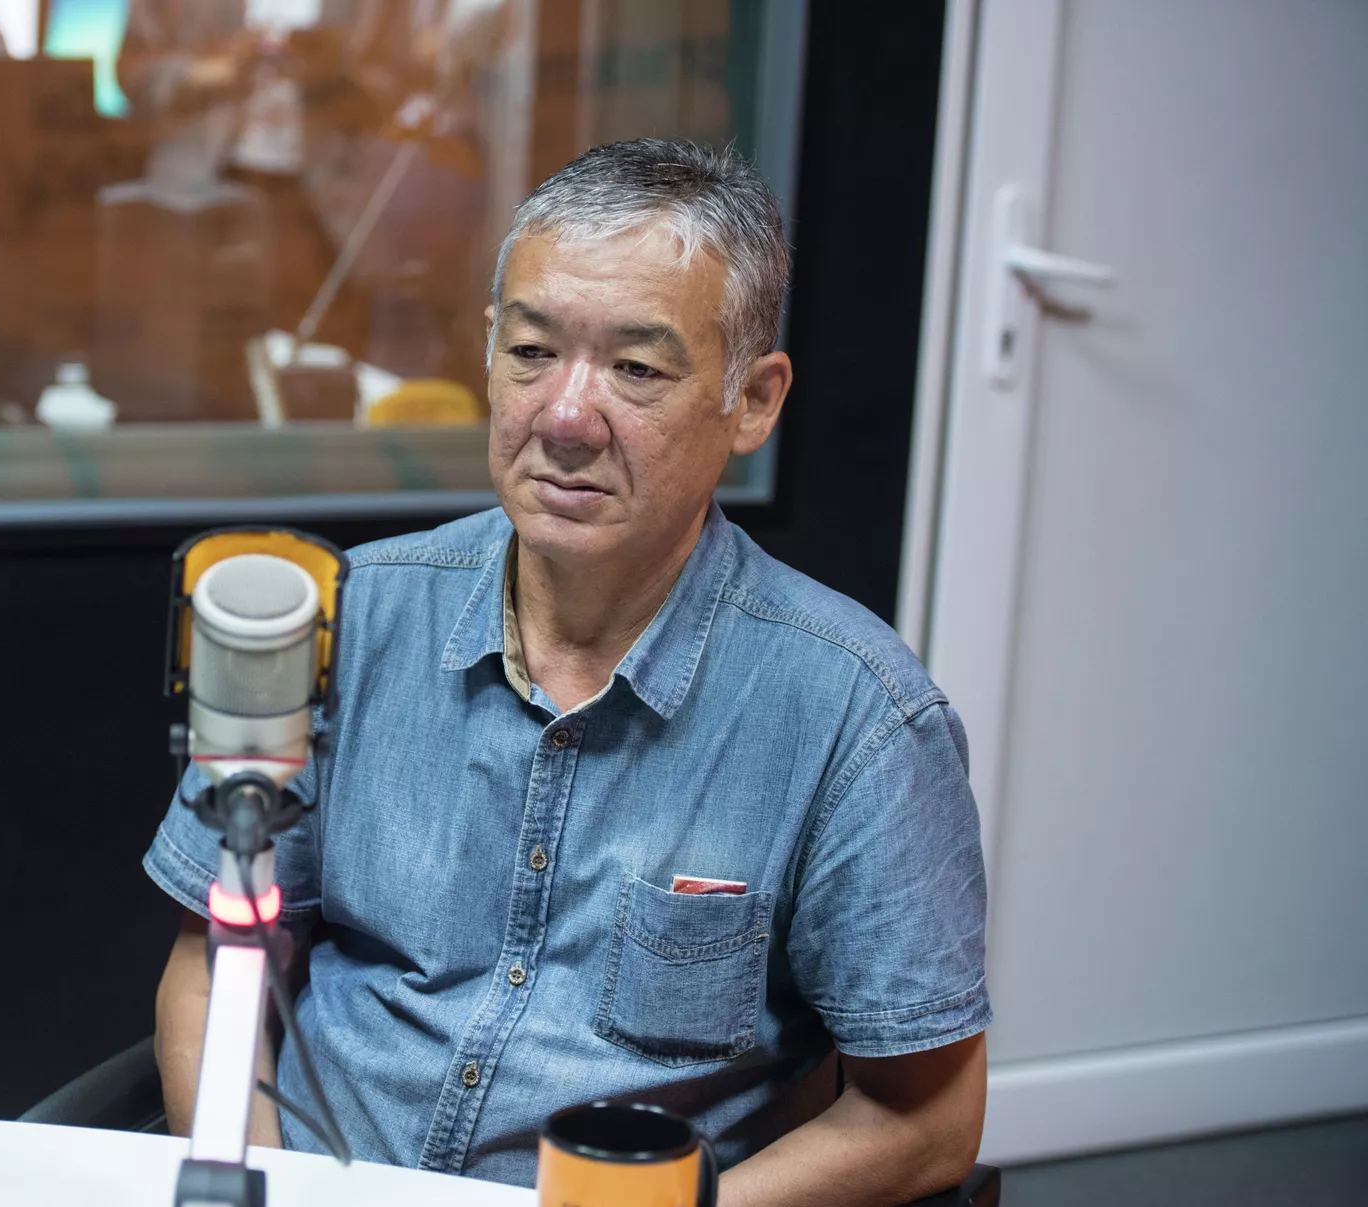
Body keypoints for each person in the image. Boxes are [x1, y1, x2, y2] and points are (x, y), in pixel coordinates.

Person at [143, 138, 990, 1201]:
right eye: (532, 351)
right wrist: (256, 1180)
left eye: (636, 370)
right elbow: (217, 959)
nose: (564, 416)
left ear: (753, 401)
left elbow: (927, 1119)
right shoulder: (345, 621)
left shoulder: (856, 715)